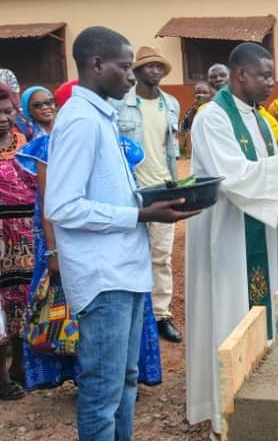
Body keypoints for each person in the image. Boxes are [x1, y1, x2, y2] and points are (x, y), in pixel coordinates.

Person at [46, 26, 198, 441]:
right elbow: (63, 206)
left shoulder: (103, 116)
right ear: (96, 65)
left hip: (126, 271)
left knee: (126, 381)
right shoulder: (78, 121)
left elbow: (108, 192)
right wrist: (138, 212)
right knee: (102, 391)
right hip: (103, 276)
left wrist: (150, 200)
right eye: (124, 67)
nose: (131, 76)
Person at [186, 42, 278, 435]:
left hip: (261, 233)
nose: (271, 83)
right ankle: (226, 413)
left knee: (259, 313)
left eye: (272, 75)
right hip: (228, 235)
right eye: (264, 75)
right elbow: (233, 177)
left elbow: (269, 173)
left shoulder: (262, 121)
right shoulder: (212, 118)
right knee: (230, 313)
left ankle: (257, 401)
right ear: (241, 74)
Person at [17, 82, 162, 392]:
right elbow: (53, 206)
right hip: (75, 245)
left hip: (120, 248)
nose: (47, 108)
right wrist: (53, 252)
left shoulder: (112, 137)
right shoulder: (50, 145)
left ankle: (121, 380)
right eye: (39, 104)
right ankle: (92, 380)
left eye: (50, 102)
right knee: (75, 314)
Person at [114, 46, 182, 344]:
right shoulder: (121, 104)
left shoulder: (171, 104)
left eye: (159, 66)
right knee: (129, 253)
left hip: (164, 188)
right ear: (137, 71)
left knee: (161, 256)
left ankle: (161, 314)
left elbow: (171, 147)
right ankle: (135, 314)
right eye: (148, 66)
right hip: (131, 192)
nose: (154, 71)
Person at [0, 86, 35, 400]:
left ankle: (22, 366)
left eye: (7, 111)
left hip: (26, 232)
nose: (2, 118)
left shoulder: (28, 142)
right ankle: (2, 377)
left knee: (23, 298)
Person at [180, 81, 212, 153]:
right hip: (197, 148)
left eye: (205, 93)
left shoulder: (215, 109)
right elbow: (182, 130)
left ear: (211, 94)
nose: (200, 95)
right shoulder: (192, 110)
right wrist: (193, 111)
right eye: (197, 93)